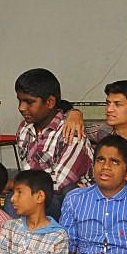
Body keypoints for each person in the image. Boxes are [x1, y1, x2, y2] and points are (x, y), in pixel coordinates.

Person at [13, 68, 92, 209]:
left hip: (65, 195)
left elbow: (60, 183)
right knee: (12, 200)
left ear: (49, 102)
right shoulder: (25, 128)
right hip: (36, 191)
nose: (21, 108)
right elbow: (27, 169)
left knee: (38, 201)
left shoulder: (71, 131)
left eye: (29, 102)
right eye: (19, 101)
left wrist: (17, 185)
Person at [65, 80, 127, 190]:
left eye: (117, 104)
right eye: (108, 103)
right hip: (98, 191)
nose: (109, 109)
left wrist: (109, 189)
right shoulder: (104, 130)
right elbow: (74, 128)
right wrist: (74, 113)